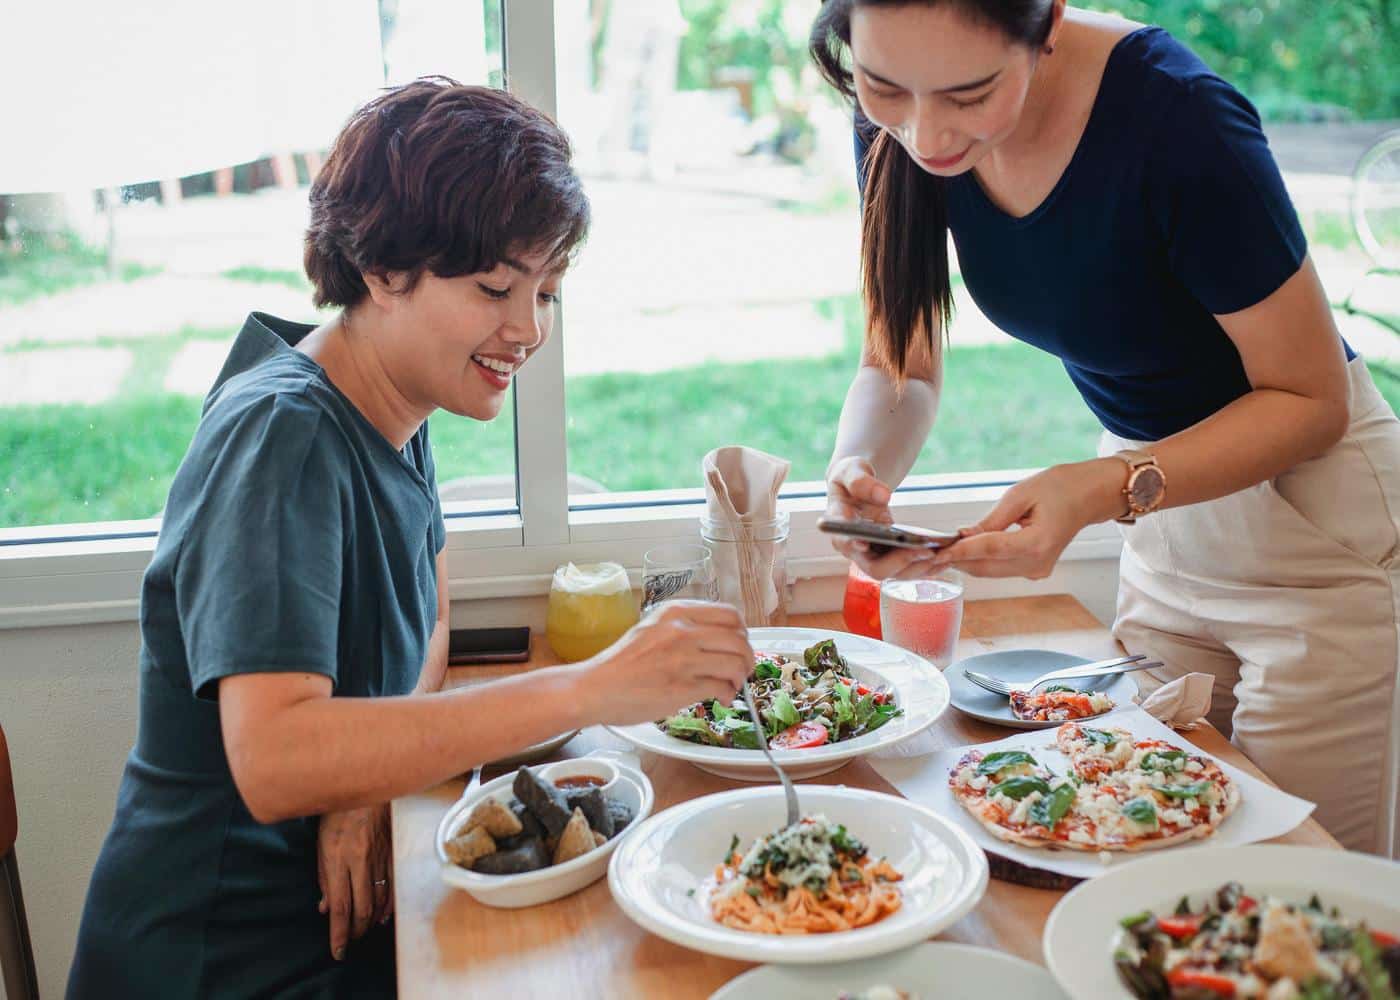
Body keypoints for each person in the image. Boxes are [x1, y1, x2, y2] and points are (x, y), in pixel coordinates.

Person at [67, 78, 754, 998]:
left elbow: (427, 618)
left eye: (547, 292)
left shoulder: (394, 404)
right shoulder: (283, 435)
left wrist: (363, 784)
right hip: (223, 958)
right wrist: (593, 686)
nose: (529, 329)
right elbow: (273, 760)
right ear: (383, 271)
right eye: (496, 288)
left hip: (334, 934)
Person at [811, 0, 1400, 857]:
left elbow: (1313, 401)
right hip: (1159, 520)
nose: (925, 133)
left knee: (1300, 884)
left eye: (970, 96)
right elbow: (901, 363)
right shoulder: (901, 114)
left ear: (1046, 22)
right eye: (882, 86)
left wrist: (1101, 489)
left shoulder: (1179, 120)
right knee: (1134, 846)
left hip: (1315, 533)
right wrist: (859, 466)